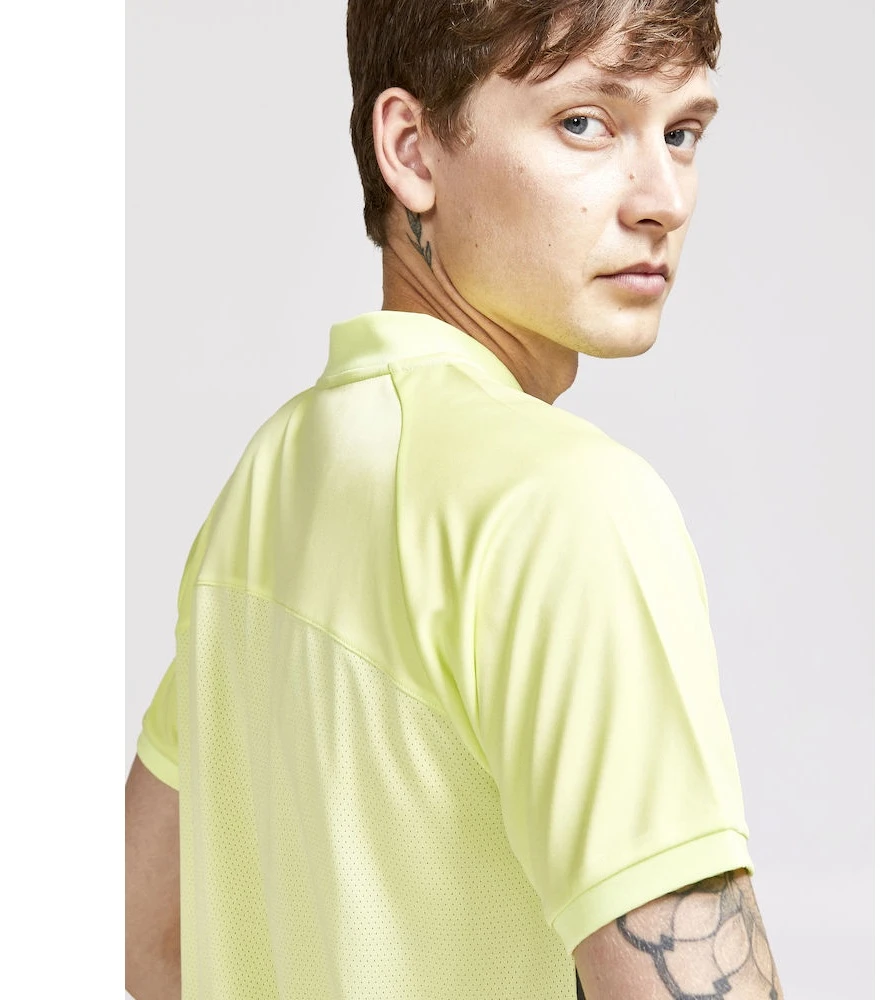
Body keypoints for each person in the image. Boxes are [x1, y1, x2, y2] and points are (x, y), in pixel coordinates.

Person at [125, 1, 785, 998]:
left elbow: (147, 935)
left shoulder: (269, 481)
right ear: (411, 148)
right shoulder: (566, 505)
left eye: (682, 131)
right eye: (586, 123)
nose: (663, 198)